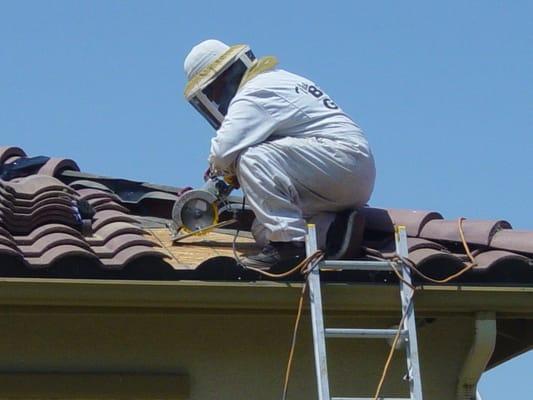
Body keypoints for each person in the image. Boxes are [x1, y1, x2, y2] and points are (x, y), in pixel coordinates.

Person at [184, 39, 376, 270]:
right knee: (263, 228)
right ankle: (333, 230)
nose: (214, 99)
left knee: (251, 157)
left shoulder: (256, 90)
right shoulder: (281, 78)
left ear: (222, 78)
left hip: (338, 160)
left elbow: (223, 150)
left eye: (212, 91)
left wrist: (221, 174)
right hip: (345, 173)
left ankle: (289, 249)